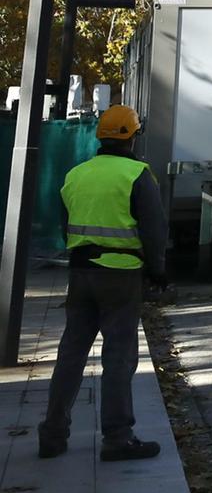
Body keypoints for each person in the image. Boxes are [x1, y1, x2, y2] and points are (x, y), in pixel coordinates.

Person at [38, 105, 168, 462]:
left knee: (71, 353)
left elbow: (67, 226)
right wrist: (158, 271)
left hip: (80, 274)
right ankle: (117, 438)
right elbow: (154, 231)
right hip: (121, 275)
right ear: (133, 137)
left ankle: (52, 433)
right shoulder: (138, 174)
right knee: (118, 356)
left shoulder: (76, 175)